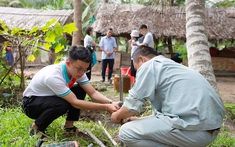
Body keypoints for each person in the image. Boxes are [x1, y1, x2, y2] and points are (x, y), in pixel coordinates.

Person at [111, 46, 226, 147]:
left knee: (126, 132)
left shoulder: (149, 65)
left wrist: (116, 116)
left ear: (142, 59)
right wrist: (138, 120)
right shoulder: (171, 67)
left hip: (195, 130)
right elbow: (166, 116)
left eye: (137, 68)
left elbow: (132, 106)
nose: (139, 72)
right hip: (208, 130)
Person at [22, 45, 119, 138]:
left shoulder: (78, 71)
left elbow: (93, 93)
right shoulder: (54, 76)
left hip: (47, 98)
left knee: (80, 89)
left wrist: (111, 102)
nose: (82, 73)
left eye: (85, 70)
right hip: (30, 104)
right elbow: (75, 103)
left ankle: (69, 126)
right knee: (62, 104)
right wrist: (106, 107)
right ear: (68, 63)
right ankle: (36, 128)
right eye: (79, 69)